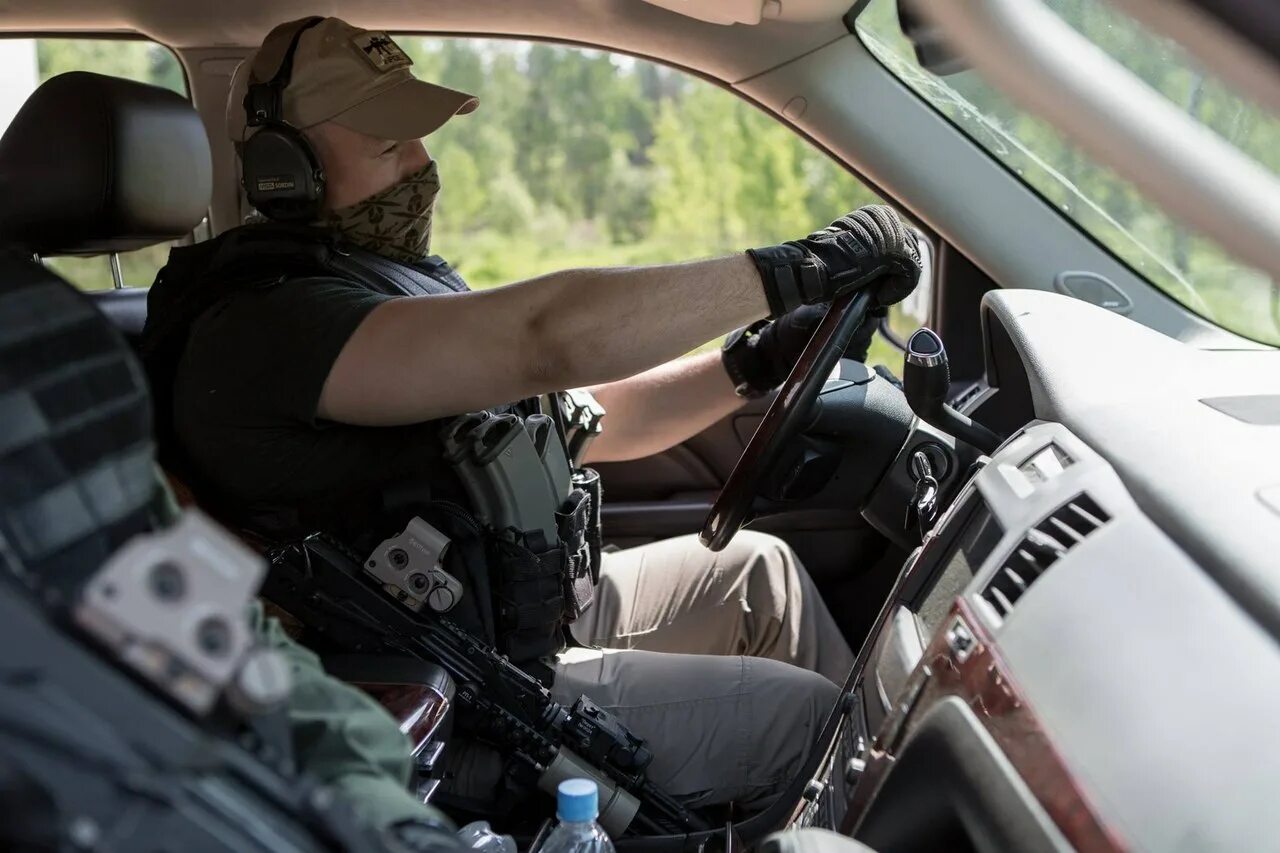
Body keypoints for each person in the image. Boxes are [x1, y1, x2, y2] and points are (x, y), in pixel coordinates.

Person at [141, 16, 921, 811]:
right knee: (817, 726)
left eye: (417, 140)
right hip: (457, 688)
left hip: (519, 617)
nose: (421, 165)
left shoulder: (382, 283)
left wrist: (748, 365)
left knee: (763, 575)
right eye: (388, 147)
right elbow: (545, 338)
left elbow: (582, 419)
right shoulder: (267, 326)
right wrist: (795, 272)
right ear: (283, 171)